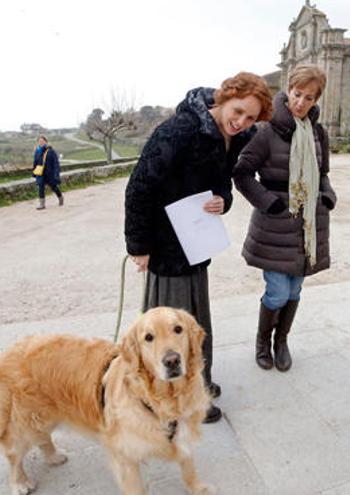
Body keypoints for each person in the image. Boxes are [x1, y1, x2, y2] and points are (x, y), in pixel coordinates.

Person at [124, 72, 273, 423]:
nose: (241, 123)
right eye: (237, 112)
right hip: (166, 246)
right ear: (222, 99)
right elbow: (139, 187)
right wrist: (139, 245)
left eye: (250, 118)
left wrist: (223, 200)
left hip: (196, 243)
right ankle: (176, 400)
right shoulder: (179, 130)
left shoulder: (235, 136)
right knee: (168, 330)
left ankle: (198, 383)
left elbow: (221, 185)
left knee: (195, 324)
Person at [233, 65, 336, 372]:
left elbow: (324, 173)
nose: (301, 102)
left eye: (308, 97)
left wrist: (328, 195)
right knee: (278, 290)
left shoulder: (318, 133)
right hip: (276, 223)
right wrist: (268, 202)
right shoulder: (266, 132)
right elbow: (242, 173)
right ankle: (263, 342)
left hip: (309, 223)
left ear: (316, 100)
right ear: (287, 91)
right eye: (296, 94)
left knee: (295, 290)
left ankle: (282, 341)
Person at [33, 135, 63, 210]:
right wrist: (34, 172)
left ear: (46, 142)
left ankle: (60, 197)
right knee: (41, 187)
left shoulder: (51, 151)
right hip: (40, 173)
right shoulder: (37, 151)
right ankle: (42, 204)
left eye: (42, 141)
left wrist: (56, 173)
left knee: (53, 187)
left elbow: (56, 163)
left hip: (50, 173)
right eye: (39, 141)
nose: (41, 142)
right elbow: (35, 162)